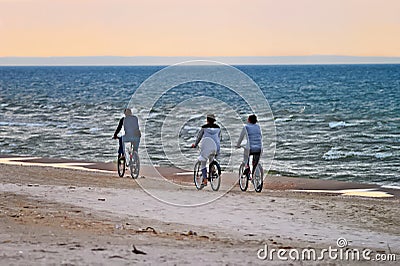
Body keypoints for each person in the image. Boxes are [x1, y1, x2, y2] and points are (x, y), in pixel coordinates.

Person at [191, 114, 221, 186]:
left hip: (206, 147)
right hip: (216, 147)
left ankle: (205, 180)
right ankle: (213, 170)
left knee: (203, 162)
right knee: (212, 158)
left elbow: (199, 137)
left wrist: (195, 145)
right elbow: (219, 138)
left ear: (207, 120)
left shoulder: (204, 128)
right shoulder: (218, 128)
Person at [236, 114, 262, 179]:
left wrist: (238, 145)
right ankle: (256, 178)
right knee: (256, 163)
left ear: (248, 120)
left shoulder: (246, 127)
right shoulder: (258, 127)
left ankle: (247, 166)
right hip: (259, 148)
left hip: (250, 148)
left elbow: (241, 137)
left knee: (246, 156)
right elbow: (260, 137)